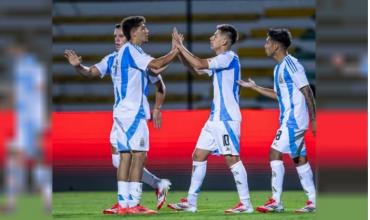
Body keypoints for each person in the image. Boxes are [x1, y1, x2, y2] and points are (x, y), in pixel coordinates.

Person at [64, 23, 171, 214]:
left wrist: (157, 108)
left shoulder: (139, 58)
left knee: (129, 157)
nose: (116, 39)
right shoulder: (112, 59)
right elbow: (90, 72)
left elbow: (160, 85)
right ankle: (139, 195)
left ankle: (129, 201)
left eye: (120, 36)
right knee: (122, 159)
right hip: (122, 116)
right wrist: (78, 66)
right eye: (115, 36)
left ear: (129, 37)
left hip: (132, 114)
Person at [167, 25, 253, 214]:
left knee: (232, 158)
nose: (211, 38)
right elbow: (195, 70)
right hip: (215, 118)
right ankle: (191, 202)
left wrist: (181, 47)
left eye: (215, 35)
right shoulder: (220, 60)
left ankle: (246, 203)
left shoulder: (229, 57)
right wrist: (178, 50)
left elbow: (198, 63)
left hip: (226, 119)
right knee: (198, 155)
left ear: (224, 41)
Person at [237, 28, 316, 213]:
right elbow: (278, 94)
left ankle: (275, 201)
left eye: (267, 42)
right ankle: (312, 201)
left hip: (294, 119)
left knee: (274, 153)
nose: (265, 45)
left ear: (276, 45)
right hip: (289, 119)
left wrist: (314, 119)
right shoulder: (278, 68)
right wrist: (255, 87)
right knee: (299, 159)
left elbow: (307, 91)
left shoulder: (291, 64)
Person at [112, 16, 179, 215]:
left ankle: (123, 204)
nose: (147, 31)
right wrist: (176, 49)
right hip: (133, 112)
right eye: (143, 28)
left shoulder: (127, 52)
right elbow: (157, 65)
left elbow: (156, 71)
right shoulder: (131, 50)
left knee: (124, 157)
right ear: (133, 33)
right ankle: (134, 204)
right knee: (139, 156)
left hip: (120, 112)